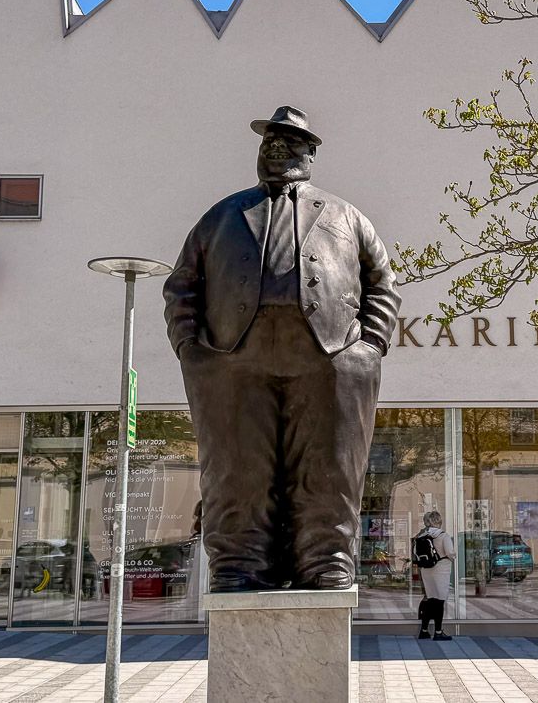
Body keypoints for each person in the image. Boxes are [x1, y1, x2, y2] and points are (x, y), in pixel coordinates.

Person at [163, 106, 401, 592]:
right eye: (269, 140)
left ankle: (325, 561)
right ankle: (239, 564)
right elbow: (181, 285)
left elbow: (383, 283)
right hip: (234, 362)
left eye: (290, 140)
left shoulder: (346, 216)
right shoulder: (222, 216)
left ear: (310, 153)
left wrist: (370, 346)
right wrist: (191, 348)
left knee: (329, 466)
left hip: (328, 361)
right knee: (235, 468)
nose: (275, 147)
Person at [415, 511, 455, 640]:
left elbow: (416, 552)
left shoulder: (422, 535)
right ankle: (438, 632)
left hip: (426, 570)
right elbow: (450, 553)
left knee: (430, 599)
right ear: (439, 521)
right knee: (439, 601)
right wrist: (453, 557)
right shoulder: (443, 536)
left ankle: (424, 630)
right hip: (441, 571)